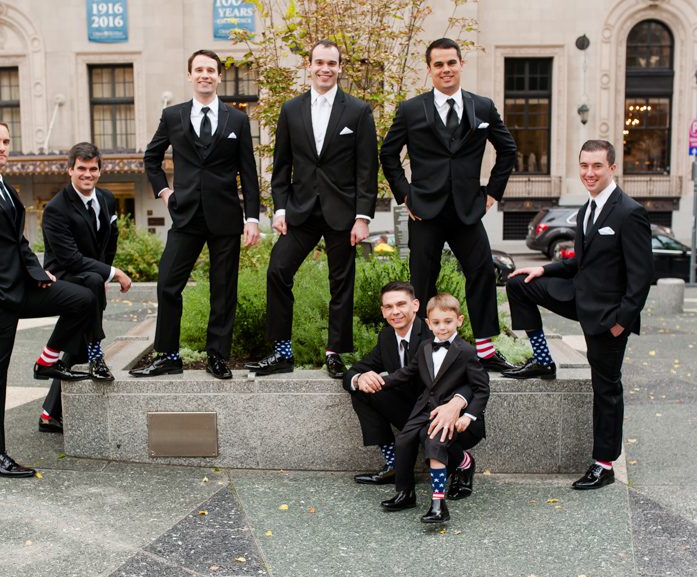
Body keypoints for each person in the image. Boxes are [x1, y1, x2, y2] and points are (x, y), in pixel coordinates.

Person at [0, 119, 95, 478]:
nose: (2, 147)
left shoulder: (6, 189)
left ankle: (47, 362)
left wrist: (40, 275)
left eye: (7, 141)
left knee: (82, 298)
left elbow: (18, 243)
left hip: (21, 288)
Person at [502, 139, 654, 490]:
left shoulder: (629, 212)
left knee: (606, 389)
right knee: (519, 284)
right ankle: (542, 359)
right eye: (584, 165)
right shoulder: (587, 209)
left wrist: (621, 323)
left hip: (608, 317)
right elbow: (583, 262)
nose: (589, 173)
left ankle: (604, 464)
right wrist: (547, 270)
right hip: (579, 297)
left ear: (612, 168)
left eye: (597, 166)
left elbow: (641, 276)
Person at [379, 37, 517, 373]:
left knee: (483, 272)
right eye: (438, 64)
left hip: (468, 210)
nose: (445, 69)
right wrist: (405, 195)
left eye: (451, 63)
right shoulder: (411, 109)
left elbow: (508, 149)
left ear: (461, 65)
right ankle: (423, 349)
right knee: (422, 281)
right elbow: (388, 154)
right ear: (429, 70)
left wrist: (492, 193)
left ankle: (484, 349)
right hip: (424, 210)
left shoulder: (481, 107)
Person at [244, 39, 378, 379]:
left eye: (332, 63)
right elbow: (281, 166)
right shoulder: (291, 109)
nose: (325, 69)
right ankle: (282, 352)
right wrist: (279, 209)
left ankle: (335, 353)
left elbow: (367, 169)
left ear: (340, 67)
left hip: (343, 214)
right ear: (309, 64)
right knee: (277, 270)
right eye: (320, 62)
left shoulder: (358, 111)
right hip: (300, 211)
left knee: (341, 283)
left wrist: (363, 217)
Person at [131, 49, 260, 380]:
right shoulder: (173, 116)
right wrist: (164, 191)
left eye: (211, 70)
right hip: (185, 215)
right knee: (168, 285)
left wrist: (252, 218)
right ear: (190, 76)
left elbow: (248, 173)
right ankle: (169, 356)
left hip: (226, 218)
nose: (205, 74)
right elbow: (152, 157)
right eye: (199, 69)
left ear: (219, 76)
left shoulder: (238, 119)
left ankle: (217, 356)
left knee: (223, 289)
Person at [342, 281, 476, 501]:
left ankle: (463, 463)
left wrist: (456, 403)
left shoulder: (435, 330)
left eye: (401, 304)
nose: (396, 311)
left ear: (415, 305)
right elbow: (356, 370)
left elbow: (470, 376)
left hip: (447, 410)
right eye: (389, 306)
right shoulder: (386, 337)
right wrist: (359, 378)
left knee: (428, 431)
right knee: (362, 389)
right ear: (383, 311)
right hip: (414, 409)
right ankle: (394, 464)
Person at [363, 293, 489, 524]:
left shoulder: (467, 352)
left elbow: (481, 388)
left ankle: (438, 505)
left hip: (448, 413)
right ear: (429, 323)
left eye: (448, 322)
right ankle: (405, 493)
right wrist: (381, 381)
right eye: (437, 323)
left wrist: (468, 416)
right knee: (403, 441)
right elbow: (407, 373)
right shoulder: (424, 347)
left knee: (434, 444)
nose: (442, 328)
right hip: (423, 409)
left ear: (459, 320)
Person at [37, 142, 133, 434]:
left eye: (93, 169)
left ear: (100, 171)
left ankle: (49, 415)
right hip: (63, 277)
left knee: (78, 334)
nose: (87, 174)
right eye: (81, 168)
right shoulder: (56, 209)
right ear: (70, 170)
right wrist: (113, 274)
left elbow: (110, 241)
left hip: (91, 276)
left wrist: (104, 273)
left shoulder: (106, 199)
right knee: (90, 289)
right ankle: (96, 354)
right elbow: (70, 259)